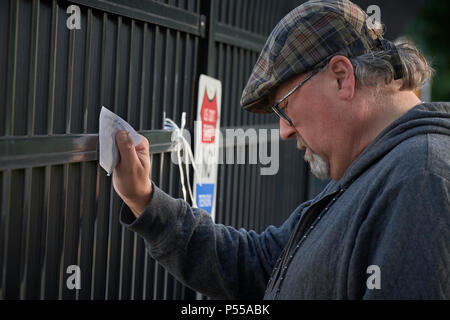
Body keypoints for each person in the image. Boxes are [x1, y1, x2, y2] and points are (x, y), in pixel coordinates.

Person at [112, 0, 450, 299]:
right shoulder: (375, 169)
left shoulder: (421, 180)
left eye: (284, 106)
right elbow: (260, 266)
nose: (285, 131)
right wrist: (144, 200)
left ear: (341, 78)